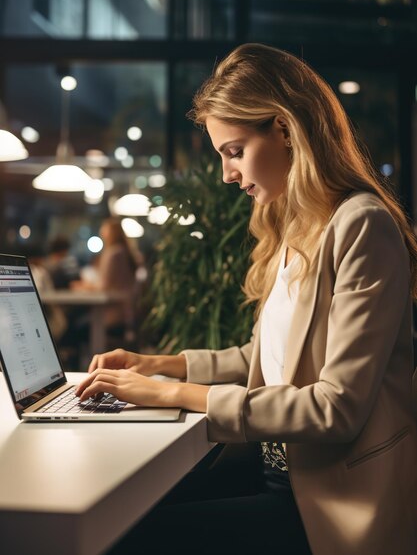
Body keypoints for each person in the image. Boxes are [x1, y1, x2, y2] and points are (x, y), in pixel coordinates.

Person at [75, 43, 417, 555]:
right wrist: (158, 366)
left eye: (233, 151)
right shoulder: (293, 224)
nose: (227, 174)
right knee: (123, 518)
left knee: (131, 536)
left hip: (333, 501)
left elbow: (335, 408)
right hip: (277, 473)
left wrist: (172, 395)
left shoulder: (362, 225)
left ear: (285, 130)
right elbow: (260, 360)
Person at [71, 217, 143, 340]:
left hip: (111, 315)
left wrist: (84, 286)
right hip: (126, 313)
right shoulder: (126, 252)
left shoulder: (113, 253)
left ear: (110, 232)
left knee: (75, 326)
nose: (101, 233)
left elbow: (103, 287)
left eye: (104, 230)